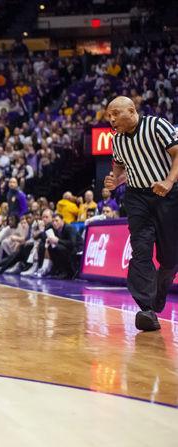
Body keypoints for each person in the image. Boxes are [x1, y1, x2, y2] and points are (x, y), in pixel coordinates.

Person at [105, 95, 178, 331]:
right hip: (137, 197)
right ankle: (146, 309)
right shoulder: (117, 140)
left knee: (170, 258)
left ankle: (156, 298)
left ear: (131, 110)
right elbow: (119, 165)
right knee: (141, 248)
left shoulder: (157, 126)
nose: (111, 119)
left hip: (168, 194)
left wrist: (168, 181)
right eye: (109, 116)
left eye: (115, 114)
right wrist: (115, 179)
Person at [44, 213, 82, 279]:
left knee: (58, 248)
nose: (54, 223)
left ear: (62, 220)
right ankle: (58, 269)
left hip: (77, 247)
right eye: (53, 221)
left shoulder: (69, 228)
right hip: (66, 247)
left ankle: (66, 272)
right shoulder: (55, 229)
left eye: (56, 221)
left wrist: (58, 240)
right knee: (51, 247)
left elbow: (72, 243)